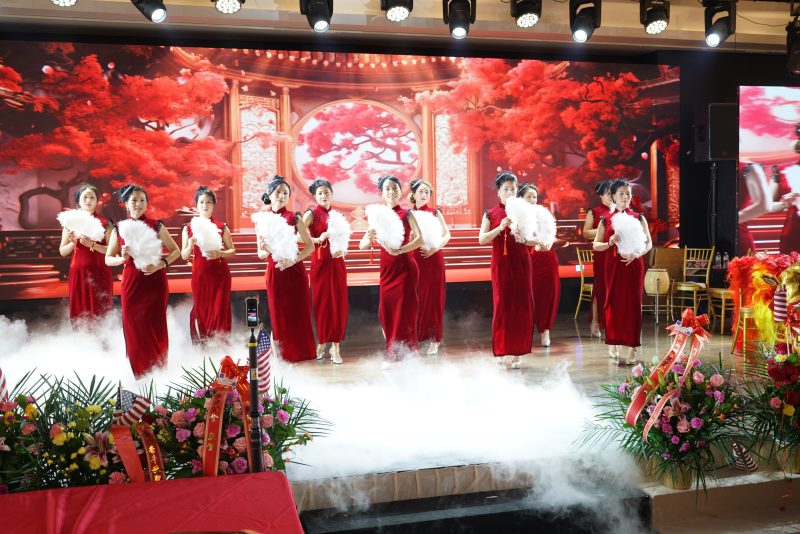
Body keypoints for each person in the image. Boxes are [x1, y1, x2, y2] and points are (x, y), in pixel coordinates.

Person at [105, 184, 180, 378]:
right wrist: (122, 258)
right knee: (133, 327)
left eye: (142, 200)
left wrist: (160, 264)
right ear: (125, 204)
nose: (138, 204)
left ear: (146, 203)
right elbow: (108, 259)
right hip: (132, 282)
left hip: (155, 282)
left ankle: (159, 373)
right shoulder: (119, 228)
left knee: (156, 328)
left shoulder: (156, 225)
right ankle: (138, 374)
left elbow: (176, 251)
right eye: (134, 200)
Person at [359, 175, 423, 365]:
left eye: (395, 188)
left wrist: (400, 250)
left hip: (405, 267)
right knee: (385, 312)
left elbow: (419, 239)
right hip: (387, 270)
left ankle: (397, 355)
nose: (392, 192)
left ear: (400, 191)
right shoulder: (378, 216)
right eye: (387, 189)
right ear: (382, 193)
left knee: (403, 312)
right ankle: (398, 351)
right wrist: (369, 236)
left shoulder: (407, 214)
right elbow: (362, 245)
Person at [256, 176, 316, 363]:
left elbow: (310, 246)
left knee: (298, 312)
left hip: (294, 270)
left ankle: (301, 354)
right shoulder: (261, 219)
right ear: (269, 194)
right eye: (278, 192)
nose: (281, 196)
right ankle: (283, 356)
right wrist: (265, 249)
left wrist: (293, 261)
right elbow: (260, 253)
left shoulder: (294, 217)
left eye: (285, 193)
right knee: (279, 314)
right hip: (275, 271)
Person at [593, 179, 652, 365]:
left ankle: (632, 348)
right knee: (613, 303)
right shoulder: (606, 219)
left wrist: (636, 254)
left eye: (628, 194)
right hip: (613, 265)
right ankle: (613, 340)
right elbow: (596, 245)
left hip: (633, 264)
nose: (626, 197)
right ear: (613, 196)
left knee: (633, 305)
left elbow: (648, 243)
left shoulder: (638, 217)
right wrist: (610, 242)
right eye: (621, 194)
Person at [478, 171, 534, 369]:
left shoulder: (525, 211)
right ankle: (503, 349)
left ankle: (518, 352)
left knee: (521, 306)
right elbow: (482, 239)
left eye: (513, 189)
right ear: (498, 192)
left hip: (521, 263)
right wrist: (500, 228)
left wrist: (525, 239)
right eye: (506, 189)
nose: (510, 192)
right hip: (501, 265)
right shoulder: (490, 213)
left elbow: (535, 239)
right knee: (502, 306)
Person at [180, 186, 235, 343]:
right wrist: (190, 245)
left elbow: (232, 250)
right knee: (202, 308)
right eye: (202, 202)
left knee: (219, 309)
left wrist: (221, 253)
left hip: (220, 275)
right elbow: (184, 255)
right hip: (200, 275)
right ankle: (203, 345)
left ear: (214, 205)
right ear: (196, 205)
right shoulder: (189, 228)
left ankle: (221, 345)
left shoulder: (221, 226)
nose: (205, 205)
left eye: (209, 202)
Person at [302, 179, 348, 365]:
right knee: (322, 304)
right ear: (315, 196)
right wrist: (317, 239)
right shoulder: (311, 214)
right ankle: (321, 342)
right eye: (320, 193)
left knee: (338, 304)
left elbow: (344, 238)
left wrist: (343, 250)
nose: (324, 196)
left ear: (331, 193)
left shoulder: (337, 215)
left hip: (337, 263)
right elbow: (297, 236)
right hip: (320, 263)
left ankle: (336, 347)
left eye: (326, 192)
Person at [58, 183, 113, 326]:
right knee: (80, 311)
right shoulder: (70, 223)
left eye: (92, 197)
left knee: (101, 309)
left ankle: (103, 338)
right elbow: (63, 251)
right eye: (85, 197)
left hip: (100, 272)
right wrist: (73, 243)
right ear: (78, 200)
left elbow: (112, 251)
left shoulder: (106, 223)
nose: (88, 200)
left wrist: (93, 245)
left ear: (97, 201)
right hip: (78, 272)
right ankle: (81, 338)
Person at [409, 179, 451, 355]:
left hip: (433, 259)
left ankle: (435, 339)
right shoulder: (409, 214)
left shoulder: (435, 212)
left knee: (434, 299)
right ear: (414, 194)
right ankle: (417, 336)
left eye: (427, 192)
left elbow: (447, 234)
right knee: (416, 299)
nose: (424, 195)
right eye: (421, 191)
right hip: (414, 259)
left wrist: (435, 249)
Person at [518, 183, 560, 348]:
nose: (532, 199)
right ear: (521, 198)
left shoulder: (544, 213)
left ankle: (545, 331)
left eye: (534, 196)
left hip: (546, 257)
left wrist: (548, 243)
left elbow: (551, 233)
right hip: (527, 256)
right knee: (527, 295)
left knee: (548, 294)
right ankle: (525, 331)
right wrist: (533, 241)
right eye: (528, 196)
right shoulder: (517, 216)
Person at [582, 180, 614, 337]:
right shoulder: (594, 211)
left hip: (617, 253)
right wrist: (605, 229)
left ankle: (612, 322)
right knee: (600, 288)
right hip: (602, 253)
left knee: (614, 288)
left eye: (613, 193)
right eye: (608, 194)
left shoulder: (620, 211)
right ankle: (595, 322)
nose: (611, 196)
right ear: (601, 195)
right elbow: (586, 233)